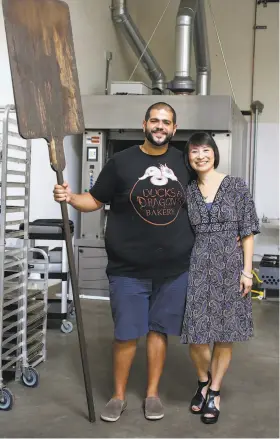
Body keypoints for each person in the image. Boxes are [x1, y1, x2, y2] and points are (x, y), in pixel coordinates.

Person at [53, 102, 195, 422]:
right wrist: (70, 197)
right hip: (128, 270)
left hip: (173, 270)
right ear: (144, 123)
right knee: (126, 334)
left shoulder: (184, 163)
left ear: (174, 128)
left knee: (159, 332)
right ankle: (118, 396)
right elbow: (94, 199)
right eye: (155, 121)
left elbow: (205, 196)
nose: (160, 126)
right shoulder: (121, 162)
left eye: (166, 122)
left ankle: (152, 395)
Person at [181, 132, 260, 424]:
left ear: (214, 153)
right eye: (194, 152)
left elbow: (248, 231)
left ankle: (214, 392)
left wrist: (246, 271)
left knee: (226, 334)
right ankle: (203, 380)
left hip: (231, 266)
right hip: (198, 265)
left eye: (205, 150)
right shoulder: (187, 190)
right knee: (197, 336)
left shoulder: (237, 186)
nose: (201, 155)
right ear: (188, 158)